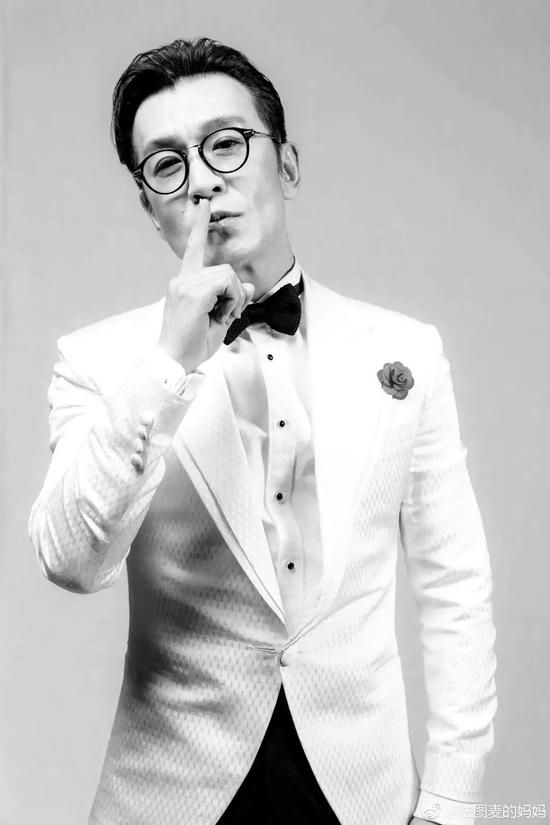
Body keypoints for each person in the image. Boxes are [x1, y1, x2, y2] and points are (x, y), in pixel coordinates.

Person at [29, 37, 497, 825]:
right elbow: (72, 561)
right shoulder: (100, 363)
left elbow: (456, 585)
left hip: (363, 794)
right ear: (149, 205)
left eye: (226, 143)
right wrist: (169, 364)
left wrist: (450, 803)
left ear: (288, 164)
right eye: (168, 164)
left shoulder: (406, 352)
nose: (203, 178)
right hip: (170, 797)